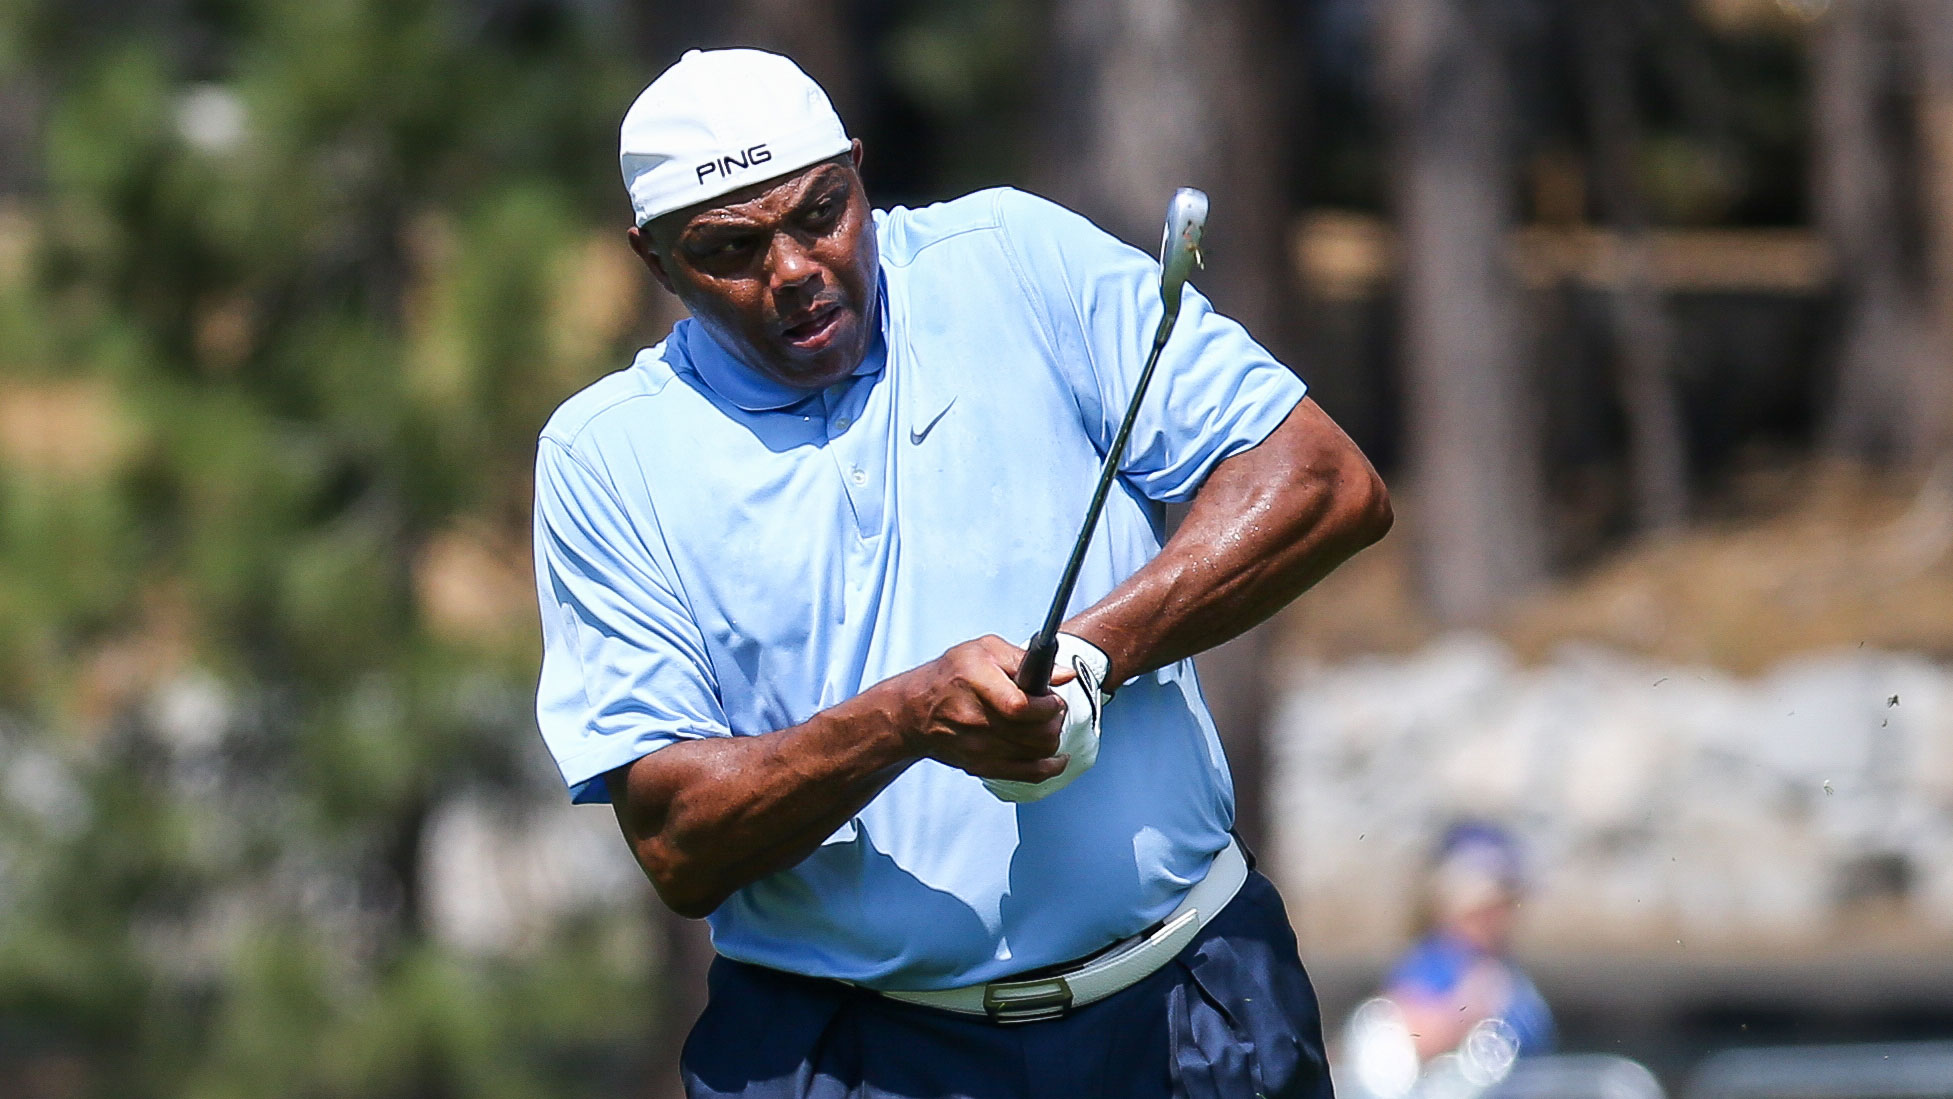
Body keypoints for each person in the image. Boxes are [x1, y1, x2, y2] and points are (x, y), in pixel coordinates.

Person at [531, 47, 1391, 1099]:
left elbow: (1322, 479)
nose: (797, 267)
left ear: (858, 169)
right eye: (732, 248)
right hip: (855, 1054)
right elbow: (676, 838)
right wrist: (908, 717)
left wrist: (1087, 654)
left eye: (821, 212)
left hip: (1184, 1010)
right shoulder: (608, 455)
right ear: (655, 260)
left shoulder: (1015, 259)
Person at [1339, 823, 1554, 1099]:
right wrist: (1459, 1017)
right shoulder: (1427, 966)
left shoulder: (1509, 979)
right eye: (1486, 906)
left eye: (1504, 905)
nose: (1496, 918)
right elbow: (1403, 1030)